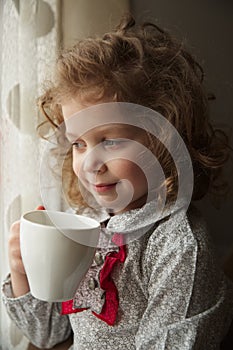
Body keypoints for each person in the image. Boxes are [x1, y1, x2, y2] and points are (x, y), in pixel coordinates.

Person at [2, 13, 233, 349]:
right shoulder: (89, 221)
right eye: (79, 143)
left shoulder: (177, 248)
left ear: (162, 141)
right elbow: (49, 335)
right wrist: (24, 272)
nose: (91, 163)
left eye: (110, 141)